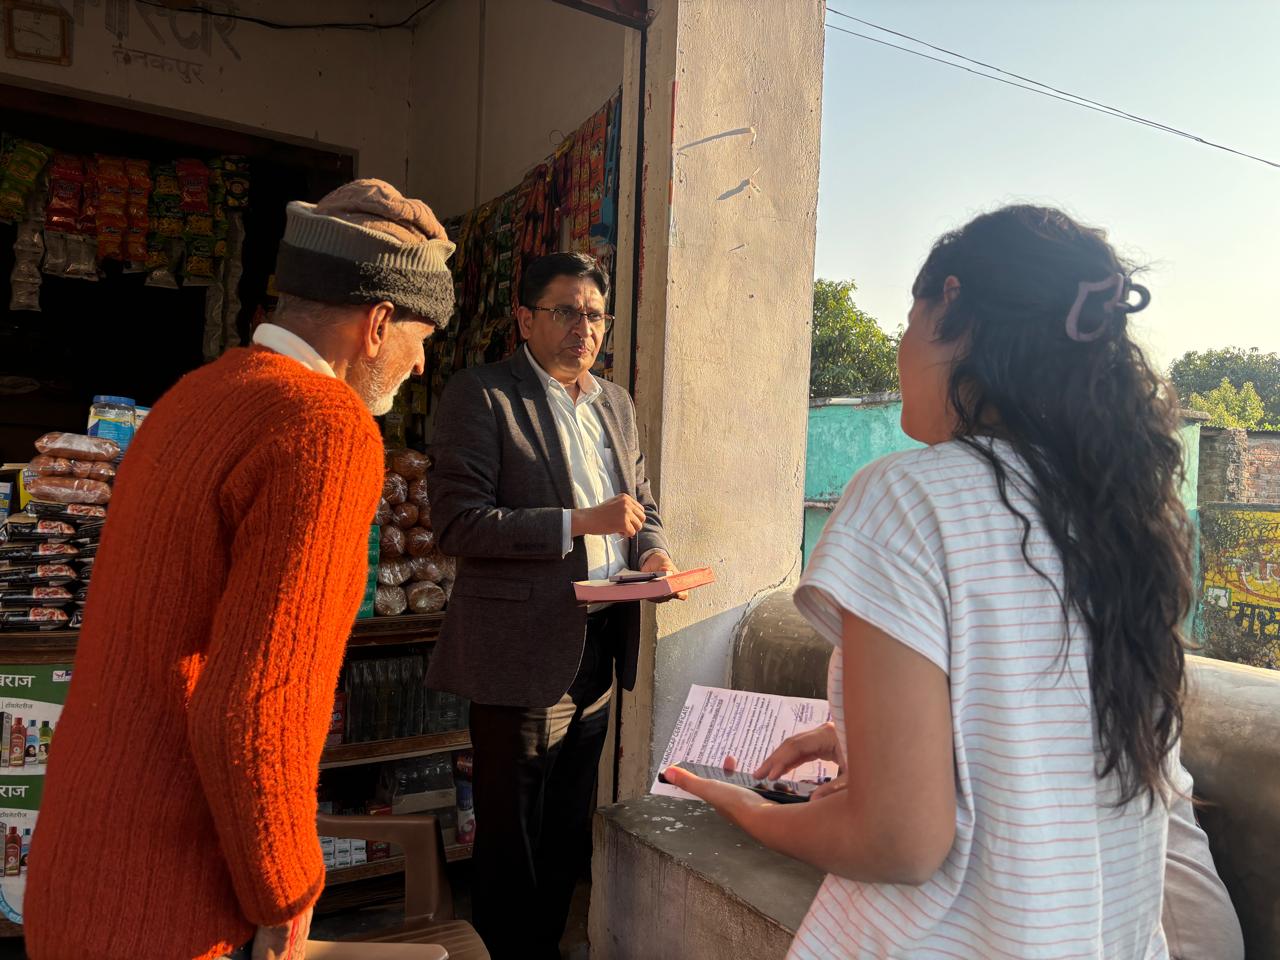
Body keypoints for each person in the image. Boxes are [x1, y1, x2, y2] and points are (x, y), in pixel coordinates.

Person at [666, 205, 1199, 958]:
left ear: (951, 303)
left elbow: (898, 841)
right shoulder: (1125, 516)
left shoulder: (909, 497)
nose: (900, 346)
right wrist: (858, 737)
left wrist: (752, 811)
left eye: (909, 319)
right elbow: (1040, 723)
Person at [26, 179, 455, 960]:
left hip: (75, 870)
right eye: (420, 336)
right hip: (173, 906)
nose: (421, 363)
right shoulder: (326, 428)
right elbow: (256, 710)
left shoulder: (195, 395)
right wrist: (286, 896)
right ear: (377, 323)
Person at [428, 251, 681, 959]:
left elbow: (642, 503)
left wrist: (652, 554)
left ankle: (543, 948)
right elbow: (458, 524)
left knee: (567, 826)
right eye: (565, 311)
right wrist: (579, 522)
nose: (583, 328)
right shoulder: (483, 396)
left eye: (595, 315)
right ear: (524, 319)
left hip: (597, 645)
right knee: (513, 835)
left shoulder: (615, 403)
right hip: (520, 648)